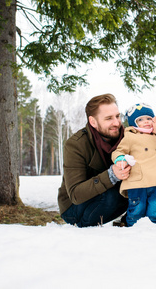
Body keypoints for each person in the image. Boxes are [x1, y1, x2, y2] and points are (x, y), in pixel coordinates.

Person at [57, 94, 130, 227]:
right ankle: (83, 227)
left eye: (117, 116)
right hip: (74, 207)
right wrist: (111, 175)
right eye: (109, 118)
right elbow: (75, 194)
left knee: (133, 190)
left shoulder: (128, 138)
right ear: (93, 122)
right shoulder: (76, 144)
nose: (116, 123)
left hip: (109, 197)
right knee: (114, 195)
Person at [112, 103, 156, 226]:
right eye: (141, 120)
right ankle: (132, 226)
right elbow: (118, 151)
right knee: (137, 208)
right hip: (137, 181)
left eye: (149, 118)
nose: (147, 122)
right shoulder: (130, 137)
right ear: (134, 122)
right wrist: (120, 158)